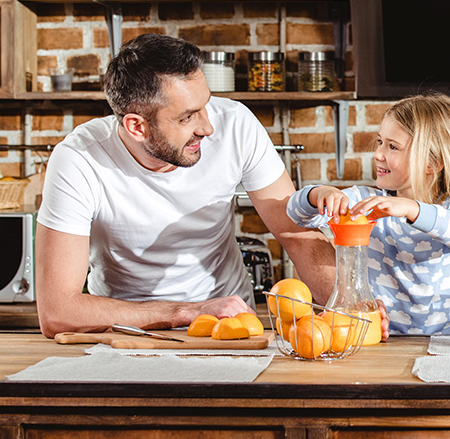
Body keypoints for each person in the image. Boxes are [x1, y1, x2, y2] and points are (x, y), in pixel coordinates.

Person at [35, 34, 334, 338]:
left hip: (231, 328)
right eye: (187, 117)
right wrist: (187, 311)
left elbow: (296, 235)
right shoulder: (79, 159)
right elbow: (58, 313)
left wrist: (349, 303)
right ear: (137, 126)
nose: (207, 127)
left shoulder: (236, 125)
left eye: (205, 104)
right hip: (124, 333)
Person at [286, 92, 450, 336]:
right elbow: (295, 213)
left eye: (392, 146)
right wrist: (319, 194)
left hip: (445, 344)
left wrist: (411, 209)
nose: (378, 154)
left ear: (432, 163)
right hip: (380, 341)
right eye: (380, 142)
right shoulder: (366, 202)